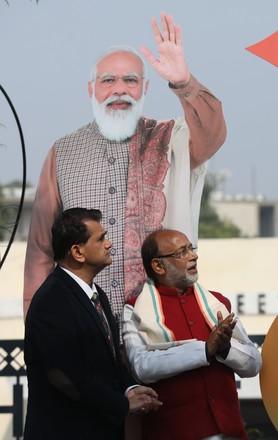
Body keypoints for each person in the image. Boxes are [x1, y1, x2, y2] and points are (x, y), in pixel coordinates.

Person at [24, 11, 227, 322]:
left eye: (130, 80)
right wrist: (37, 329)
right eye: (108, 80)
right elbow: (41, 252)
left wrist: (183, 82)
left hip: (160, 328)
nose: (119, 89)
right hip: (86, 329)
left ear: (144, 88)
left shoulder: (170, 139)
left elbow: (212, 134)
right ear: (91, 89)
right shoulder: (62, 152)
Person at [23, 207, 162, 440]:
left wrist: (129, 388)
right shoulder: (52, 300)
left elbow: (107, 361)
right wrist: (122, 405)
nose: (108, 244)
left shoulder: (96, 294)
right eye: (100, 238)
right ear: (77, 252)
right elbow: (64, 375)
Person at [122, 228, 262, 440]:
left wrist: (225, 349)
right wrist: (204, 350)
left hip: (229, 429)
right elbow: (142, 367)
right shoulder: (135, 309)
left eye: (191, 249)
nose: (193, 256)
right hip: (174, 431)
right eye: (181, 253)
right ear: (158, 266)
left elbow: (254, 365)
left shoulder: (217, 303)